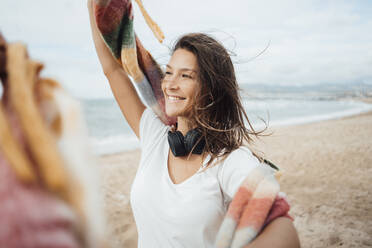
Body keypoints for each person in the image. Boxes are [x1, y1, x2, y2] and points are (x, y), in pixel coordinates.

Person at [88, 3, 300, 247]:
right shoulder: (154, 137)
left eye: (185, 75)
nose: (170, 84)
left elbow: (285, 231)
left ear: (210, 89)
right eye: (169, 73)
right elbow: (113, 70)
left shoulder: (229, 161)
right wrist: (92, 5)